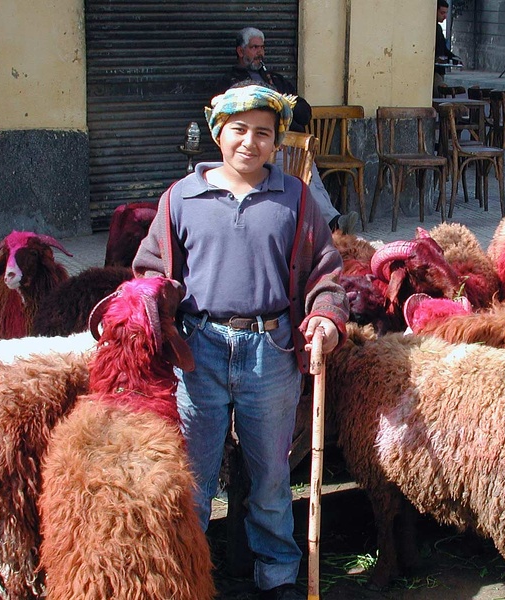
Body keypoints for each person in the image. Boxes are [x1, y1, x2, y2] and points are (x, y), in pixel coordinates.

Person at [133, 83, 349, 600]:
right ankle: (189, 573)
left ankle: (277, 575)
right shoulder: (180, 198)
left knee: (272, 476)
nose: (250, 142)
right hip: (199, 348)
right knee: (194, 474)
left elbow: (326, 273)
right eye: (239, 130)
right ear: (217, 134)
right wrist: (150, 313)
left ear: (277, 143)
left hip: (270, 351)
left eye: (264, 133)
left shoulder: (296, 198)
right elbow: (150, 270)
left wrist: (325, 318)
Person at [218, 26, 360, 235]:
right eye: (254, 47)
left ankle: (331, 222)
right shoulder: (231, 82)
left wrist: (286, 104)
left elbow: (304, 112)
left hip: (292, 146)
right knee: (303, 178)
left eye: (262, 48)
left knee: (311, 177)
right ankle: (330, 224)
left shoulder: (275, 80)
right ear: (241, 51)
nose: (260, 53)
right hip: (262, 148)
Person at [434, 0, 463, 94]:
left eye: (446, 13)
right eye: (442, 13)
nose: (445, 16)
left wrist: (453, 57)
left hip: (440, 70)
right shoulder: (431, 28)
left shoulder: (438, 28)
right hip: (434, 71)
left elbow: (443, 49)